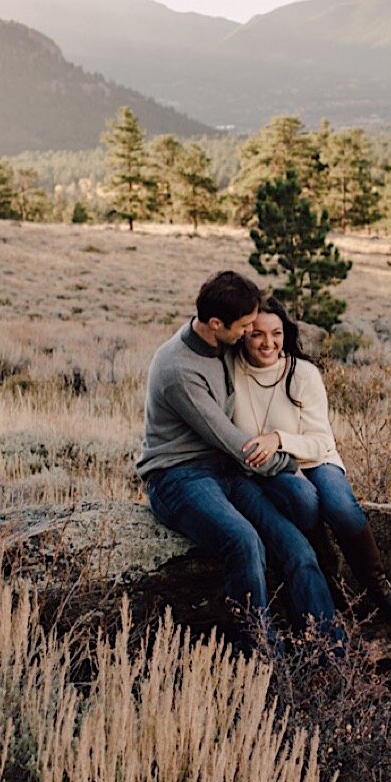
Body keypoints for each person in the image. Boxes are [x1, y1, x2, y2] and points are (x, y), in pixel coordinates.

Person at [137, 270, 340, 647]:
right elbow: (235, 443)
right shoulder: (179, 371)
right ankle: (264, 658)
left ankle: (330, 650)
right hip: (178, 478)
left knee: (296, 549)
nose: (250, 332)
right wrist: (289, 463)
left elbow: (270, 358)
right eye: (246, 325)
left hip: (225, 470)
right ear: (216, 324)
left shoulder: (221, 341)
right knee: (244, 542)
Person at [231, 299, 391, 622]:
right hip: (272, 469)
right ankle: (333, 586)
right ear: (244, 335)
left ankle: (379, 590)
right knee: (303, 499)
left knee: (340, 505)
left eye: (276, 333)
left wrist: (278, 439)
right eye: (258, 334)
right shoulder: (231, 372)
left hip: (315, 458)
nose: (268, 343)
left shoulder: (302, 373)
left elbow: (320, 443)